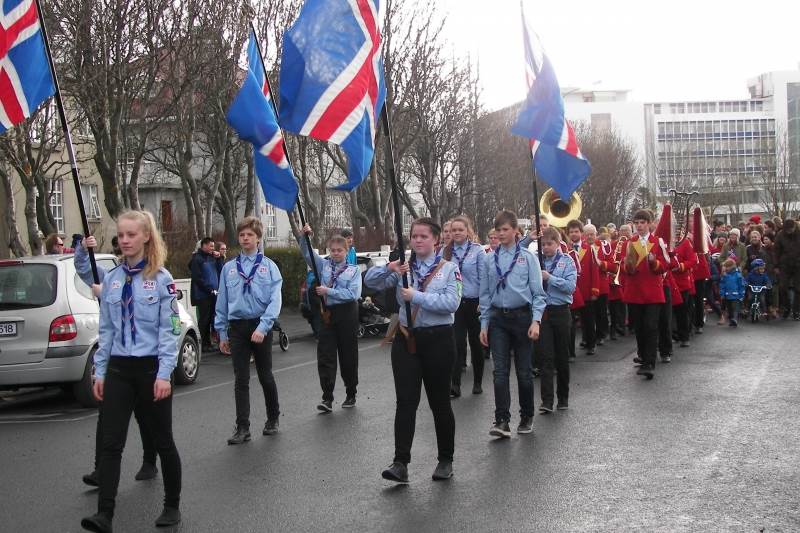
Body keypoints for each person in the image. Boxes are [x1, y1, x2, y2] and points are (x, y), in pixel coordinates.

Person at [80, 210, 182, 532]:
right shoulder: (112, 279)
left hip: (151, 367)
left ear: (146, 236)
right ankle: (104, 515)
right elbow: (106, 330)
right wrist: (100, 371)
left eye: (131, 235)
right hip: (120, 369)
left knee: (163, 440)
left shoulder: (162, 280)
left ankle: (171, 506)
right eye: (121, 235)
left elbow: (171, 329)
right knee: (111, 443)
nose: (124, 240)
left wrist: (165, 373)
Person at [365, 218, 460, 483]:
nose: (417, 240)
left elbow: (451, 302)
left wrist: (415, 297)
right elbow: (371, 282)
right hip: (406, 339)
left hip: (438, 340)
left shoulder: (449, 269)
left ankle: (445, 459)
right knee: (405, 402)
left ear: (436, 240)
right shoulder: (403, 267)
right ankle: (400, 462)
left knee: (439, 402)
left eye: (423, 236)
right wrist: (391, 269)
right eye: (414, 236)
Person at [74, 235, 160, 490]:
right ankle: (102, 468)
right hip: (116, 356)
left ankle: (149, 459)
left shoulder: (152, 276)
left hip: (142, 358)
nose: (123, 248)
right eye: (118, 245)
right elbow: (82, 269)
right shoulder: (109, 276)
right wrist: (82, 249)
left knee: (145, 414)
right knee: (107, 416)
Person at [215, 217, 283, 445]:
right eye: (242, 235)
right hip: (237, 327)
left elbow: (275, 300)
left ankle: (273, 418)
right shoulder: (229, 269)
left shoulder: (269, 267)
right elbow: (222, 302)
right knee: (240, 378)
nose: (245, 238)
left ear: (258, 238)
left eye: (250, 235)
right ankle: (242, 427)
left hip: (260, 324)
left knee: (265, 375)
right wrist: (222, 333)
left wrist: (264, 327)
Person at [479, 210, 546, 438]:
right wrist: (484, 325)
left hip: (522, 317)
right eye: (498, 230)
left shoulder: (528, 258)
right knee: (500, 371)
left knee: (524, 372)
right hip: (498, 319)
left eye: (505, 230)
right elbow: (485, 294)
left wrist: (536, 321)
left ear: (516, 231)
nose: (501, 234)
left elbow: (538, 293)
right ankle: (502, 420)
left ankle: (526, 415)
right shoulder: (490, 259)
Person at [297, 224, 362, 411]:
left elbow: (353, 294)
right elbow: (307, 254)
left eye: (339, 250)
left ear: (346, 251)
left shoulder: (353, 270)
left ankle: (351, 392)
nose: (335, 253)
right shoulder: (323, 265)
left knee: (348, 354)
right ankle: (327, 397)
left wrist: (328, 291)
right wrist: (305, 237)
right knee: (325, 354)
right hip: (327, 313)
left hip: (347, 313)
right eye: (332, 250)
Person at [620, 209, 669, 379]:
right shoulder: (630, 242)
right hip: (634, 292)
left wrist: (654, 262)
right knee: (639, 327)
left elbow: (665, 265)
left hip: (653, 292)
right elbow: (623, 267)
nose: (639, 226)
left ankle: (649, 362)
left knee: (651, 326)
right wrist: (629, 266)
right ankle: (643, 355)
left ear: (649, 224)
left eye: (643, 222)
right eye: (637, 223)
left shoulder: (657, 242)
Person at [442, 215, 486, 397]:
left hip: (474, 301)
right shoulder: (445, 251)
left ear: (468, 231)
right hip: (455, 303)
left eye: (460, 229)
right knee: (456, 343)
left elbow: (484, 277)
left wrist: (484, 302)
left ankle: (477, 382)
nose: (457, 233)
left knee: (476, 344)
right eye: (454, 230)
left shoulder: (477, 251)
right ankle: (455, 384)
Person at [537, 227, 577, 413]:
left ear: (557, 243)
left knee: (562, 356)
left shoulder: (566, 261)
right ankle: (546, 400)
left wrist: (550, 278)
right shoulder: (537, 261)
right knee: (546, 357)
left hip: (561, 311)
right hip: (543, 312)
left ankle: (563, 397)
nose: (546, 247)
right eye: (543, 244)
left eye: (549, 244)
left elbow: (570, 287)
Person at [566, 220, 600, 355]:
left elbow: (594, 270)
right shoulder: (565, 249)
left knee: (588, 319)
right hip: (573, 291)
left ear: (581, 233)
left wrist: (595, 289)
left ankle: (591, 343)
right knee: (571, 322)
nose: (574, 234)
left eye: (576, 231)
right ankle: (570, 350)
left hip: (586, 289)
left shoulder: (589, 249)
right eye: (571, 232)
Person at [189, 238, 220, 352]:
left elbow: (218, 269)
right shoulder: (197, 259)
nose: (213, 248)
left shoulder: (211, 257)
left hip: (212, 293)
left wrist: (219, 257)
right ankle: (202, 344)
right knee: (204, 320)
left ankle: (208, 343)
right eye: (211, 246)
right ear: (204, 246)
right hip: (203, 295)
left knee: (210, 318)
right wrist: (209, 289)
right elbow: (197, 278)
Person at [671, 233, 698, 348]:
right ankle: (671, 335)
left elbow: (692, 260)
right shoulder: (663, 241)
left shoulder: (685, 242)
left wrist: (681, 266)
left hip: (681, 282)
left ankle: (684, 336)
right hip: (668, 282)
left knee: (682, 311)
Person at [775, 219, 800, 320]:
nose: (789, 231)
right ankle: (786, 308)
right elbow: (776, 250)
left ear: (795, 227)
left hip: (798, 264)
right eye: (787, 229)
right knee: (782, 287)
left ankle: (797, 311)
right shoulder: (780, 235)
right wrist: (776, 265)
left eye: (791, 229)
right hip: (784, 264)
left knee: (798, 288)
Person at [719, 258, 745, 327]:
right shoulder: (724, 276)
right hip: (727, 295)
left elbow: (741, 285)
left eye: (727, 267)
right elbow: (722, 285)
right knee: (729, 308)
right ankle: (731, 320)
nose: (726, 268)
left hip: (736, 295)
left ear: (732, 266)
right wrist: (722, 293)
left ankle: (735, 319)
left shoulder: (738, 275)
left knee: (735, 308)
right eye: (725, 267)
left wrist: (741, 294)